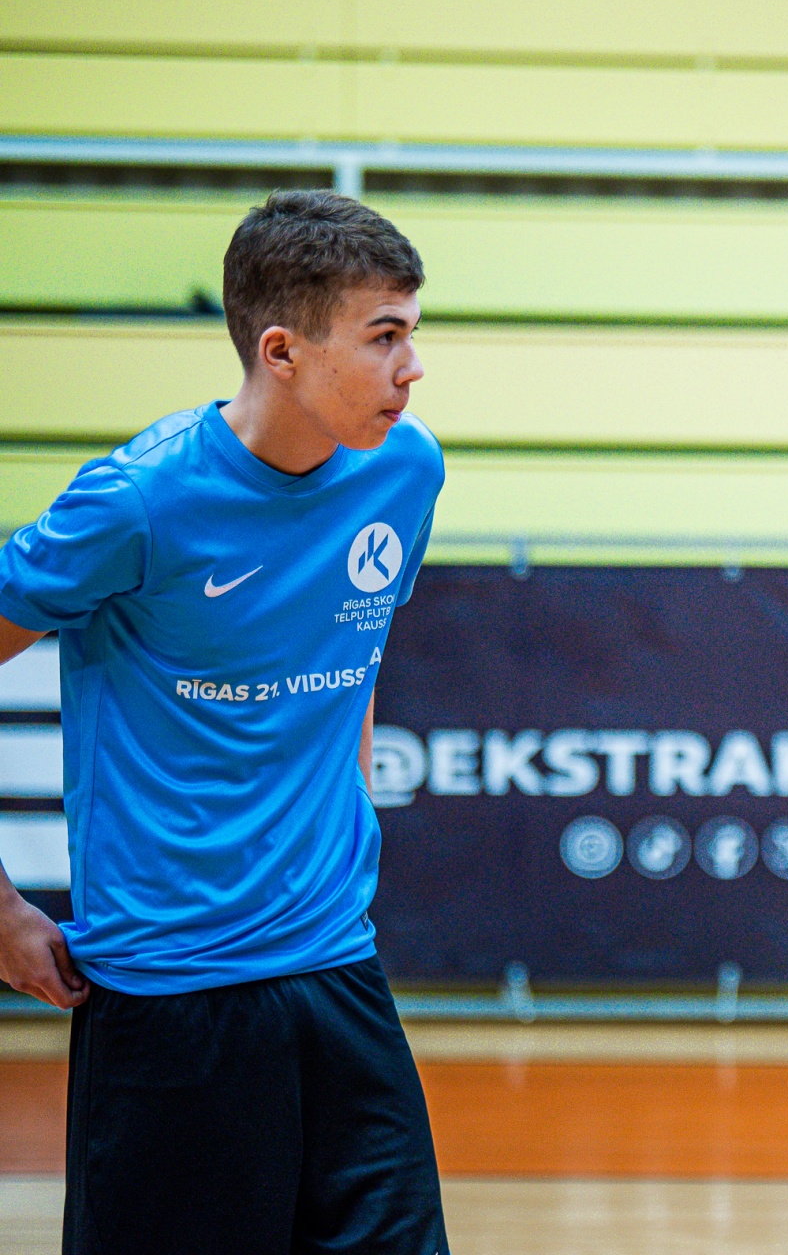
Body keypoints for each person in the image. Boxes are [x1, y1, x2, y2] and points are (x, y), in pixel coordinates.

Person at [0, 191, 449, 1254]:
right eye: (383, 337)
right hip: (168, 998)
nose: (412, 368)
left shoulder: (405, 468)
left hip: (336, 969)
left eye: (411, 334)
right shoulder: (137, 501)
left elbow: (353, 656)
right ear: (282, 351)